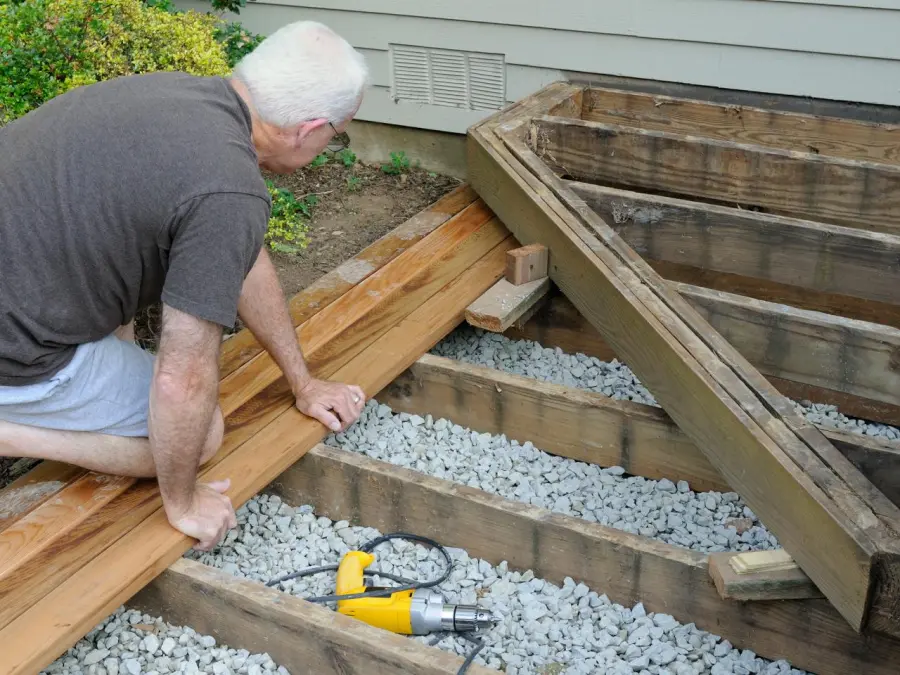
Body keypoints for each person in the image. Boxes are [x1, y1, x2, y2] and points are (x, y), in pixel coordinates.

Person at [0, 21, 369, 551]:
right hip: (16, 352)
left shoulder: (176, 94)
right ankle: (10, 430)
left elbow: (241, 256)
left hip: (23, 281)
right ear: (310, 130)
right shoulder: (228, 191)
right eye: (338, 133)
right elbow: (181, 379)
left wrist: (303, 382)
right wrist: (184, 501)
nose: (331, 144)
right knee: (202, 433)